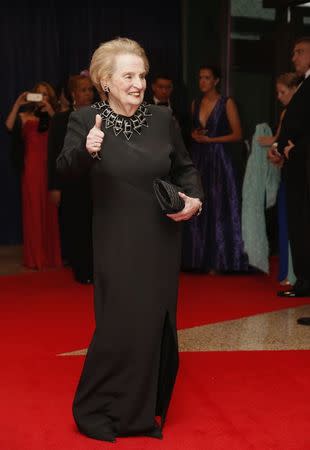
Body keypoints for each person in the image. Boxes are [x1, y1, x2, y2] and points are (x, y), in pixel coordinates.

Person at [56, 37, 203, 442]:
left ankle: (141, 413)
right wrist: (87, 150)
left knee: (155, 323)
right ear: (105, 80)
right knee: (120, 324)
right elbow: (65, 170)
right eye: (129, 76)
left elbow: (185, 169)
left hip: (161, 237)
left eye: (142, 75)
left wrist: (194, 200)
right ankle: (97, 407)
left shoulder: (162, 119)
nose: (140, 83)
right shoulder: (86, 119)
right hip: (115, 240)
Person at [182, 65, 248, 273]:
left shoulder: (226, 103)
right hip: (200, 159)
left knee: (220, 208)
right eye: (200, 77)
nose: (202, 81)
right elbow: (193, 131)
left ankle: (222, 260)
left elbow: (238, 134)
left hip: (220, 160)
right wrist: (195, 136)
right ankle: (197, 259)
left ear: (216, 81)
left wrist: (212, 139)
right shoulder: (195, 103)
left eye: (207, 78)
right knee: (198, 206)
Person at [268, 37, 310, 325]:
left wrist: (299, 147)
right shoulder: (305, 83)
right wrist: (282, 148)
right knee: (299, 226)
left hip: (305, 165)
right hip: (297, 168)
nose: (294, 57)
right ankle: (304, 281)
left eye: (300, 51)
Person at [5, 81, 62, 269]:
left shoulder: (55, 117)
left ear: (50, 98)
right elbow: (8, 125)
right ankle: (35, 257)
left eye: (45, 95)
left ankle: (51, 256)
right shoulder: (24, 116)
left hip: (50, 169)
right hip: (31, 169)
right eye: (38, 94)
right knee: (33, 211)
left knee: (50, 211)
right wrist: (18, 103)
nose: (41, 98)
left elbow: (62, 133)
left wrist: (50, 111)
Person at [48, 74, 95, 283]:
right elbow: (54, 155)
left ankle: (96, 269)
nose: (88, 94)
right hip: (73, 182)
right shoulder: (60, 121)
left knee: (96, 226)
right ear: (74, 94)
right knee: (77, 225)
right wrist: (55, 187)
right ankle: (82, 270)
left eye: (90, 90)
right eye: (83, 90)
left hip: (97, 181)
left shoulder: (100, 117)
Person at [258, 72, 300, 285]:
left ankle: (293, 275)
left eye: (282, 92)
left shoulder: (292, 112)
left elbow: (280, 141)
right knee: (287, 223)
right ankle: (290, 274)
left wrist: (272, 145)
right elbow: (280, 143)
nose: (279, 96)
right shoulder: (288, 112)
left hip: (295, 174)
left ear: (295, 90)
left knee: (292, 224)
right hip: (289, 170)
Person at [146, 73, 190, 145]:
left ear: (172, 88)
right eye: (160, 87)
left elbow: (185, 135)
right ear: (153, 87)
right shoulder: (144, 108)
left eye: (168, 87)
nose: (164, 91)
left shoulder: (180, 109)